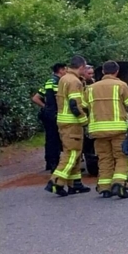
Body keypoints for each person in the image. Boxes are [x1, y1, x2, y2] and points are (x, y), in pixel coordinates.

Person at [86, 61, 128, 199]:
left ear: (102, 71)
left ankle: (104, 187)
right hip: (118, 130)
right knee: (122, 157)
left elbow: (84, 105)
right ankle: (119, 184)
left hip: (97, 131)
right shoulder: (121, 85)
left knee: (104, 158)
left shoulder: (90, 88)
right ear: (117, 71)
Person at [46, 55, 90, 197]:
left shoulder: (64, 79)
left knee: (75, 153)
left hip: (65, 121)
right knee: (71, 153)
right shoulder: (74, 81)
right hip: (72, 122)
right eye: (86, 68)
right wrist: (85, 121)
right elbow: (74, 105)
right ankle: (56, 182)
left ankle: (75, 184)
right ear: (81, 67)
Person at [32, 63, 66, 173]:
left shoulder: (49, 81)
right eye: (66, 69)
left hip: (47, 114)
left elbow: (36, 98)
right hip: (55, 114)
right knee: (55, 139)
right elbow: (60, 98)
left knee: (50, 138)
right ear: (61, 70)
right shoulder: (58, 82)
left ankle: (49, 162)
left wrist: (46, 107)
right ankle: (54, 165)